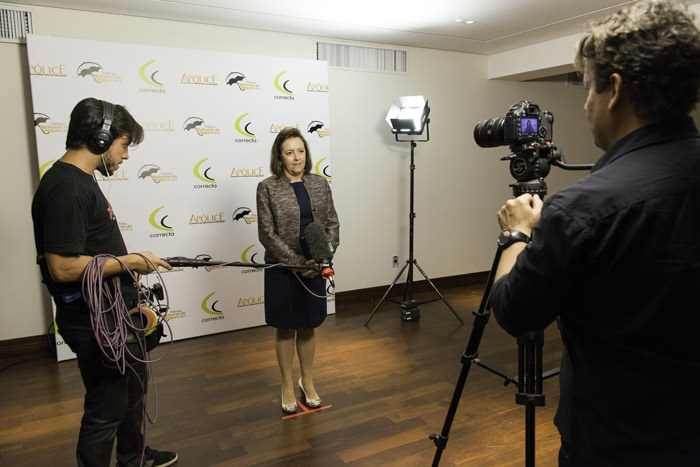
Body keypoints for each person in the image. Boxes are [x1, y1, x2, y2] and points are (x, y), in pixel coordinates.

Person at [488, 1, 700, 466]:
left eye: (587, 88)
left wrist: (517, 235)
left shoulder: (582, 209)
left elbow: (515, 311)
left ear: (615, 90)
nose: (585, 105)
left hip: (614, 443)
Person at [31, 98, 177, 467]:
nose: (125, 155)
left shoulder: (81, 181)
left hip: (116, 317)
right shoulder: (65, 188)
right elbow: (62, 267)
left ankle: (133, 458)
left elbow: (91, 254)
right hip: (94, 323)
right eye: (124, 145)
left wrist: (128, 271)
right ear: (100, 139)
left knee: (131, 394)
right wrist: (129, 261)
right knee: (106, 409)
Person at [256, 127, 339, 414]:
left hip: (315, 266)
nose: (296, 157)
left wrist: (324, 255)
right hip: (283, 268)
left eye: (300, 151)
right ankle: (287, 385)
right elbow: (267, 234)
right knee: (285, 327)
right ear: (279, 157)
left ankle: (308, 381)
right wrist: (295, 262)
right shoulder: (267, 187)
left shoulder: (319, 184)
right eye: (289, 152)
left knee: (308, 325)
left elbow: (332, 224)